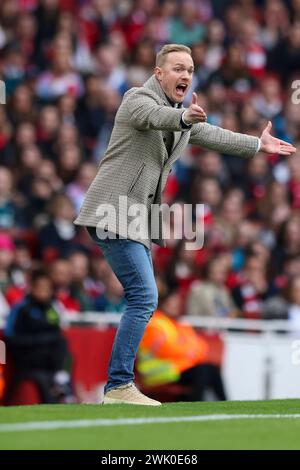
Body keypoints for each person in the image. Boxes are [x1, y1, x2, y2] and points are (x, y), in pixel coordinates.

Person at [74, 44, 296, 406]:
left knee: (143, 297)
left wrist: (257, 144)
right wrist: (183, 119)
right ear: (158, 73)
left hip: (134, 220)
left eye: (190, 69)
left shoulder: (182, 116)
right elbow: (155, 117)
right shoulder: (136, 99)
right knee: (144, 297)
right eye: (178, 68)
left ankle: (119, 386)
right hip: (112, 213)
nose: (186, 75)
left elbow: (214, 135)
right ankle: (118, 387)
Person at [4, 269, 73, 404]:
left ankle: (62, 381)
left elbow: (57, 332)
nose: (44, 292)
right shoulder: (21, 308)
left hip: (48, 358)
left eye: (47, 288)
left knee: (63, 346)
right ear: (32, 287)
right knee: (55, 348)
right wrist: (40, 340)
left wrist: (47, 339)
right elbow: (10, 337)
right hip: (26, 357)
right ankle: (61, 384)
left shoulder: (51, 309)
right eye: (41, 287)